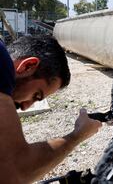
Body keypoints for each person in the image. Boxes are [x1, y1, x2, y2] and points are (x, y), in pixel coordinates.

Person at [0, 35, 102, 183]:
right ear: (28, 66)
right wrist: (78, 135)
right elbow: (16, 170)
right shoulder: (2, 65)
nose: (25, 106)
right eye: (36, 95)